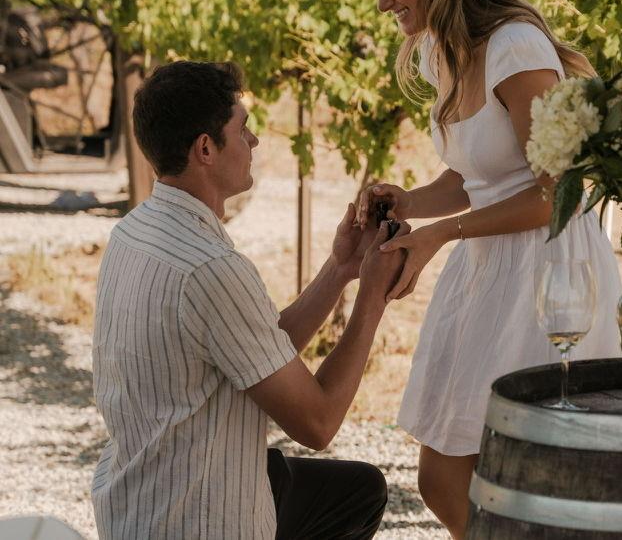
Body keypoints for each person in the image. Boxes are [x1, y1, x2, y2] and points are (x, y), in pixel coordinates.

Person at [358, 0, 622, 538]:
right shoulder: (441, 48)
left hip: (548, 276)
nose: (383, 0)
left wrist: (439, 235)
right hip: (489, 270)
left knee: (523, 482)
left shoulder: (515, 48)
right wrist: (411, 202)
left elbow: (555, 192)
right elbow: (476, 173)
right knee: (445, 477)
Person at [91, 60, 409, 540]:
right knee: (354, 493)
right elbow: (318, 424)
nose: (255, 141)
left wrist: (342, 269)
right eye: (243, 130)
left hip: (139, 507)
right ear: (205, 149)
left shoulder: (134, 231)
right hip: (196, 524)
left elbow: (257, 350)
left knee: (358, 490)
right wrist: (373, 297)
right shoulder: (211, 267)